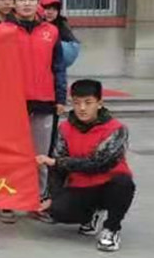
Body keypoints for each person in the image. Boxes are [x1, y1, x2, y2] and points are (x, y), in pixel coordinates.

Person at [36, 79, 135, 253]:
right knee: (56, 210)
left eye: (88, 103)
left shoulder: (116, 129)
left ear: (99, 103)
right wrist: (53, 197)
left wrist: (58, 162)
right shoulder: (65, 128)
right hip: (81, 186)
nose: (82, 108)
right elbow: (57, 166)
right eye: (76, 103)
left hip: (108, 185)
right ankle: (91, 216)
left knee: (124, 183)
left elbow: (98, 163)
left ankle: (111, 229)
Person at [1, 0, 67, 224]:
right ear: (13, 3)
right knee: (11, 154)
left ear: (38, 2)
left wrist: (61, 97)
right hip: (12, 103)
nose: (26, 4)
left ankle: (37, 201)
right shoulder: (2, 31)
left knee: (40, 156)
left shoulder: (52, 31)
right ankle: (8, 201)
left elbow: (58, 67)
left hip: (44, 101)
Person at [40, 0, 81, 68]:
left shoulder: (61, 23)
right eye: (47, 8)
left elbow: (72, 47)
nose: (50, 12)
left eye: (54, 9)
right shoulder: (34, 24)